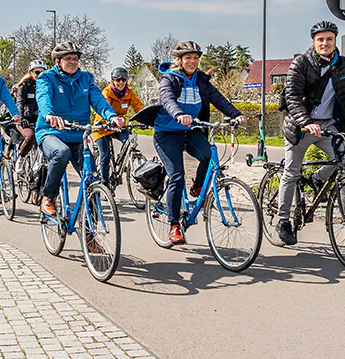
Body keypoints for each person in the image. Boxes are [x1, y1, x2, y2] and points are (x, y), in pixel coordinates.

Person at [276, 20, 345, 246]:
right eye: (320, 40)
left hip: (328, 126)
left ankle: (316, 179)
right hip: (300, 127)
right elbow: (293, 97)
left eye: (329, 39)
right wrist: (305, 121)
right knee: (292, 171)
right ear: (313, 42)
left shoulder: (342, 65)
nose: (325, 43)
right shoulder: (301, 63)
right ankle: (283, 219)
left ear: (335, 41)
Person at [141, 41, 244, 246]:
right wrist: (178, 114)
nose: (193, 61)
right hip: (167, 132)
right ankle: (174, 225)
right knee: (177, 176)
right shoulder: (169, 79)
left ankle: (197, 188)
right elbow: (168, 99)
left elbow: (218, 99)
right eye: (188, 58)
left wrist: (236, 114)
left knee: (208, 155)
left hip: (191, 130)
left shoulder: (201, 80)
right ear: (180, 60)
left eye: (196, 58)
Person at [35, 42, 124, 222]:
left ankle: (90, 234)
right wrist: (49, 114)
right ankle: (48, 197)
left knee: (92, 179)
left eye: (75, 59)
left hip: (77, 134)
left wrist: (111, 116)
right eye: (68, 58)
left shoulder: (86, 79)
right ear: (58, 61)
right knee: (61, 152)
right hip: (51, 131)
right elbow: (43, 97)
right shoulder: (46, 77)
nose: (72, 62)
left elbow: (98, 99)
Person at [93, 67, 145, 185]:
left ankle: (121, 165)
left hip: (119, 126)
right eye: (117, 80)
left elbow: (139, 107)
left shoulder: (129, 93)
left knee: (129, 142)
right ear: (113, 80)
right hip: (103, 126)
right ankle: (105, 184)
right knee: (105, 156)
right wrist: (109, 121)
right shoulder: (107, 92)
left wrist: (148, 119)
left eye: (123, 80)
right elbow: (103, 108)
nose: (120, 83)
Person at [12, 59, 46, 177]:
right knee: (30, 137)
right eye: (37, 72)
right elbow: (20, 102)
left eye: (42, 73)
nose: (39, 75)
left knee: (44, 140)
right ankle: (20, 160)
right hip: (25, 119)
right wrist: (21, 118)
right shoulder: (24, 86)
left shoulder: (46, 85)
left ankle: (40, 164)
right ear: (31, 72)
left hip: (40, 119)